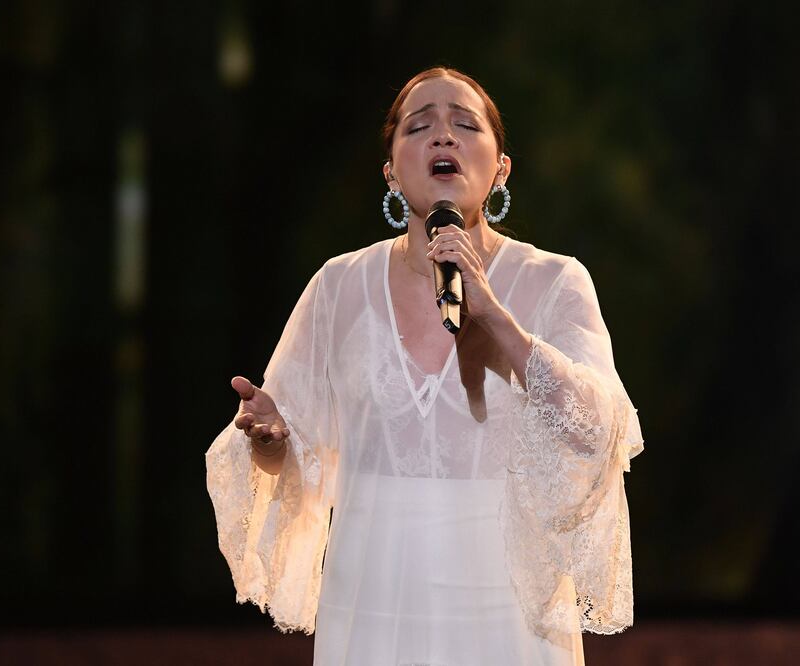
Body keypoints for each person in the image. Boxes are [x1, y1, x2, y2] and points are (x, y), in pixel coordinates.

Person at [205, 67, 645, 666]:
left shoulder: (554, 281)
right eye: (419, 127)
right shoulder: (339, 286)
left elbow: (600, 432)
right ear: (390, 169)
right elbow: (292, 455)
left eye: (465, 125)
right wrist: (270, 439)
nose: (443, 137)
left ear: (501, 168)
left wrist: (497, 319)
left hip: (506, 604)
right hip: (374, 594)